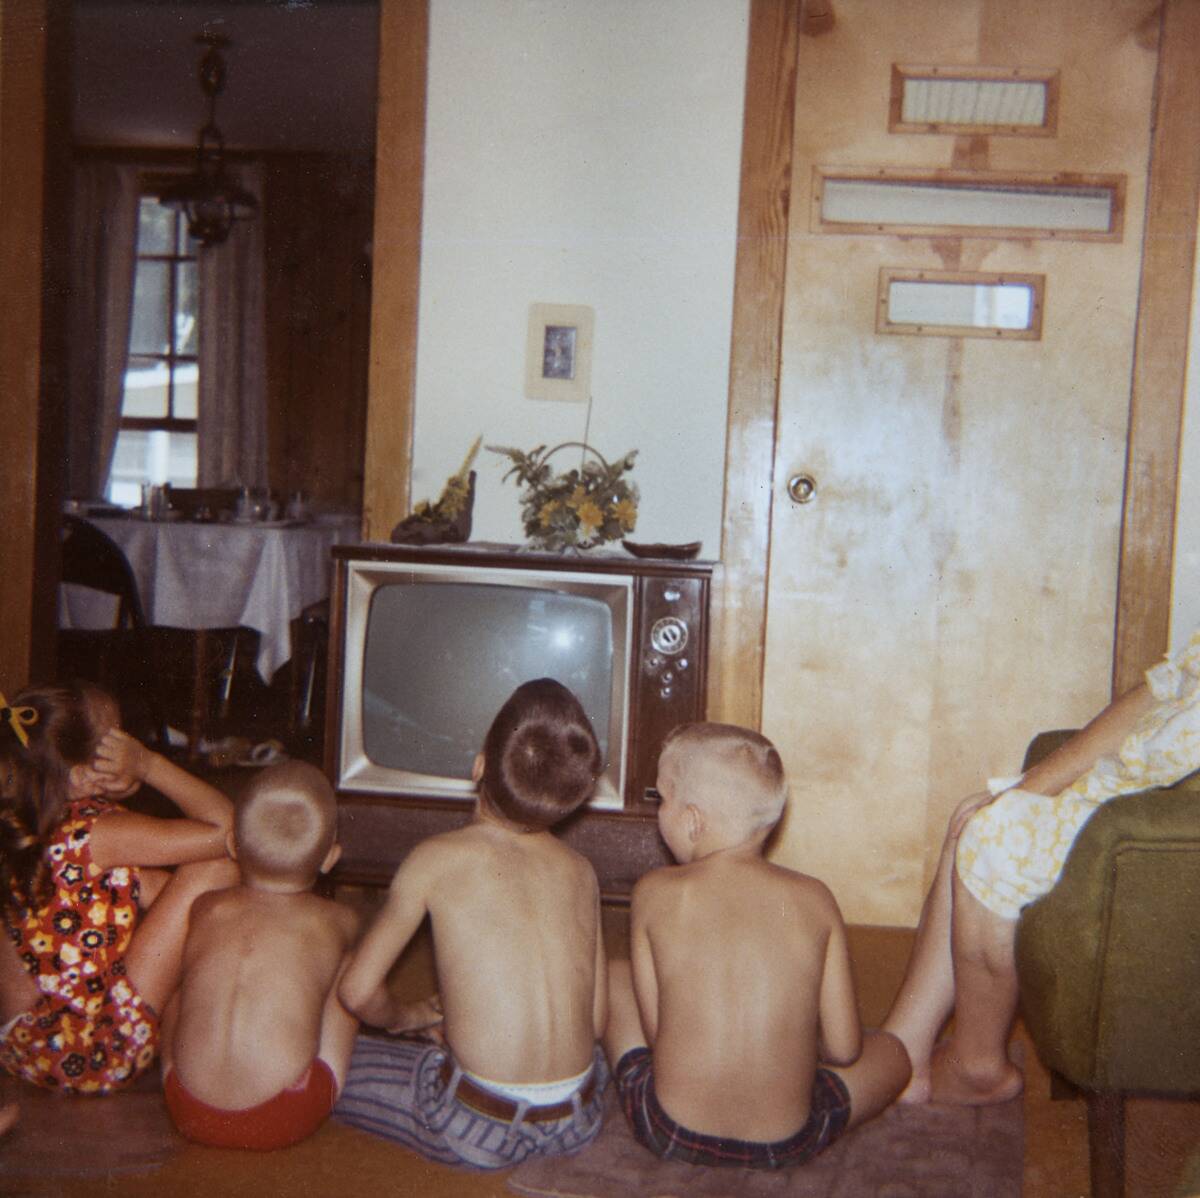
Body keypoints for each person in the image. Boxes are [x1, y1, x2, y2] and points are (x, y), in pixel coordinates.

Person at [885, 626, 1200, 1104]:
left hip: (1151, 831)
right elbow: (1158, 689)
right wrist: (1027, 789)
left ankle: (977, 1064)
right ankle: (903, 1048)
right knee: (975, 816)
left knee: (993, 838)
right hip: (1121, 794)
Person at [605, 722, 911, 1170]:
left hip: (670, 1130)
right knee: (894, 1054)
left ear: (693, 820)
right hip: (785, 1142)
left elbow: (657, 1038)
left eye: (662, 799)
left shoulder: (654, 891)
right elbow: (845, 1049)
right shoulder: (815, 898)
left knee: (616, 976)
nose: (658, 811)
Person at [334, 678, 609, 1170]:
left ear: (479, 766)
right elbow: (597, 1022)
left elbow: (356, 992)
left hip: (475, 1124)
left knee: (326, 1050)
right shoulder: (582, 871)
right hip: (577, 1119)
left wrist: (408, 1018)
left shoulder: (434, 858)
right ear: (573, 798)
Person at [0, 681, 236, 1100]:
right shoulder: (98, 832)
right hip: (94, 1052)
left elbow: (161, 894)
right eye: (117, 743)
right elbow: (231, 831)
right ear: (81, 775)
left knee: (156, 887)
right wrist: (148, 766)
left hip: (28, 1048)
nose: (129, 748)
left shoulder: (28, 818)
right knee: (217, 867)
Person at [161, 760, 360, 1150]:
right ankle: (316, 1061)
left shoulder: (205, 906)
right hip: (283, 1116)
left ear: (233, 845)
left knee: (182, 984)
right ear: (330, 858)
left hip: (186, 1107)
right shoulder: (340, 919)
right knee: (350, 972)